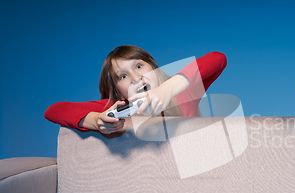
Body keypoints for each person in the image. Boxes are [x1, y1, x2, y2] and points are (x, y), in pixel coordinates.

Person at [45, 45, 227, 134]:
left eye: (139, 66)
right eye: (123, 76)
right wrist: (96, 121)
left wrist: (168, 88)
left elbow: (217, 59)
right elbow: (53, 110)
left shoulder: (184, 94)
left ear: (153, 67)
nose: (135, 78)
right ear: (116, 89)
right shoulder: (115, 109)